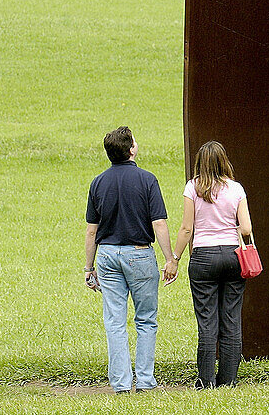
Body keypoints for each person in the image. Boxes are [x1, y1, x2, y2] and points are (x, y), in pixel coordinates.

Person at [85, 126, 176, 394]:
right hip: (139, 254)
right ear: (131, 149)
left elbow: (92, 229)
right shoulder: (148, 180)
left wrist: (88, 268)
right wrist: (170, 258)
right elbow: (158, 222)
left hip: (108, 255)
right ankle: (145, 381)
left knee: (114, 320)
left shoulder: (98, 182)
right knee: (146, 318)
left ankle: (121, 383)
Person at [171, 140, 253, 388]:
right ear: (223, 160)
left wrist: (174, 258)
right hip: (232, 255)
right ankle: (228, 380)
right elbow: (247, 228)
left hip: (203, 258)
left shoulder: (193, 187)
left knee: (207, 321)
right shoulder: (236, 189)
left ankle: (205, 381)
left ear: (200, 163)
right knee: (231, 318)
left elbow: (187, 228)